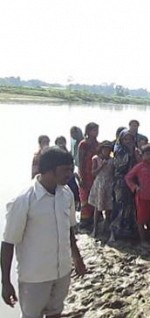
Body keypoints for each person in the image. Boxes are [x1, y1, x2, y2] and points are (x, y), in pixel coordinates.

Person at [2, 147, 86, 317]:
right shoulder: (23, 200)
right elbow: (8, 243)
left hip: (62, 271)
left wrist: (77, 258)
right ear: (49, 170)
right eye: (65, 170)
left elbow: (69, 229)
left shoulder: (66, 194)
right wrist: (5, 282)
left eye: (71, 169)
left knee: (56, 312)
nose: (69, 174)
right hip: (35, 277)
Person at [126, 144, 150, 247]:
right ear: (142, 155)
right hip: (141, 197)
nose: (149, 156)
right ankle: (143, 240)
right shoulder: (139, 166)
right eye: (147, 154)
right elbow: (128, 177)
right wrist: (135, 187)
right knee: (141, 219)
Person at [110, 129, 138, 241]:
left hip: (132, 181)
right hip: (120, 181)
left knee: (130, 205)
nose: (128, 141)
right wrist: (129, 155)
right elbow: (119, 166)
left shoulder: (135, 150)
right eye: (125, 139)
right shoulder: (119, 151)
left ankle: (129, 230)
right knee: (120, 204)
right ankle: (115, 231)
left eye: (130, 139)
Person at [88, 141, 115, 237]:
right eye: (104, 149)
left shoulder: (112, 160)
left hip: (109, 184)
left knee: (109, 208)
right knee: (97, 208)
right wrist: (101, 166)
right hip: (99, 184)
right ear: (101, 149)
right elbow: (93, 173)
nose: (106, 151)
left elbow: (113, 172)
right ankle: (95, 228)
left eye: (108, 149)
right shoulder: (96, 159)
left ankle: (107, 228)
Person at [78, 122, 99, 229]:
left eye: (97, 130)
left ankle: (94, 218)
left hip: (94, 174)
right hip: (85, 173)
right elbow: (80, 161)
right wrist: (81, 176)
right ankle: (85, 219)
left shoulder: (97, 144)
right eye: (93, 130)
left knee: (94, 195)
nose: (95, 133)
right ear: (88, 131)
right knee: (85, 196)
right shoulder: (83, 144)